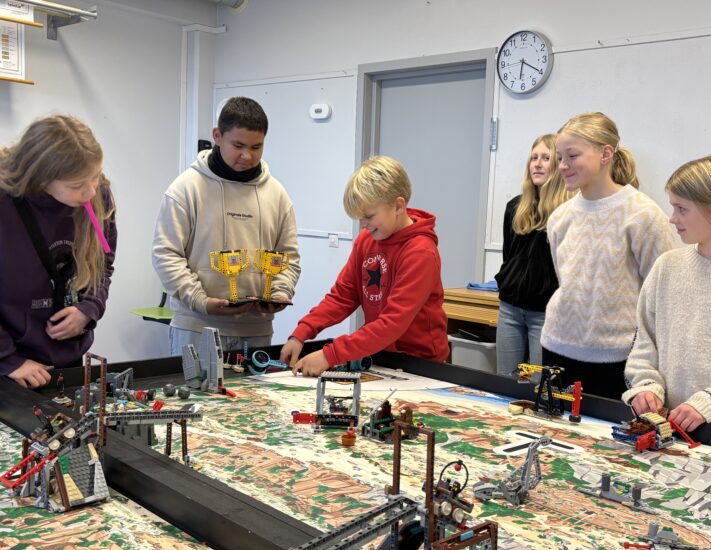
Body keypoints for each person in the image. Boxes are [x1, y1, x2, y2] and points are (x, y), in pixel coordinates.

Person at [623, 154, 711, 431]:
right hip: (668, 429)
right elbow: (644, 343)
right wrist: (646, 386)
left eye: (681, 209)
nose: (672, 218)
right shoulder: (667, 267)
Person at [540, 112, 677, 399]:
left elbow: (663, 295)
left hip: (618, 358)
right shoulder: (560, 217)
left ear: (606, 154)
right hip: (557, 347)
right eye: (560, 157)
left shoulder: (643, 214)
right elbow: (565, 280)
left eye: (572, 156)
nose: (562, 165)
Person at [152, 97, 300, 355]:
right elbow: (166, 254)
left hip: (256, 331)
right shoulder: (185, 189)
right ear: (217, 136)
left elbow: (288, 257)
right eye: (238, 145)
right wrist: (199, 300)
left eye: (256, 146)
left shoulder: (277, 195)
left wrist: (278, 293)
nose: (247, 155)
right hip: (196, 327)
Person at [279, 155, 448, 377]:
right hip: (381, 355)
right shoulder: (366, 241)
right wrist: (301, 333)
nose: (363, 225)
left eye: (368, 216)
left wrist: (330, 355)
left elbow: (392, 323)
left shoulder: (420, 252)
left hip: (421, 364)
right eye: (359, 218)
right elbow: (342, 297)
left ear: (398, 206)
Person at [0, 115, 116, 388]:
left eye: (95, 177)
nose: (90, 192)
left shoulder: (97, 196)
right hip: (11, 362)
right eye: (76, 185)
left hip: (67, 357)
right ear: (41, 177)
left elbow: (102, 264)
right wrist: (8, 360)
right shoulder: (6, 203)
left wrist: (88, 309)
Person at [494, 134, 571, 376]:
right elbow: (509, 257)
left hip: (545, 314)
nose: (537, 164)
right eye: (533, 158)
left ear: (559, 164)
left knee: (539, 385)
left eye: (546, 158)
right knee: (508, 380)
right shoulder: (515, 208)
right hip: (510, 309)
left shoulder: (567, 213)